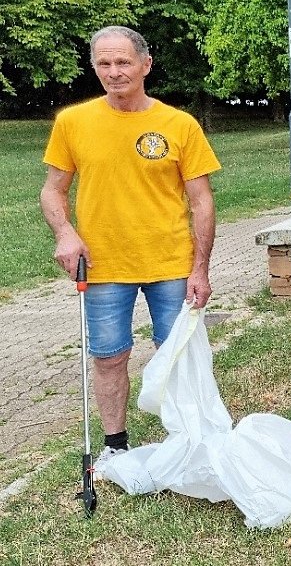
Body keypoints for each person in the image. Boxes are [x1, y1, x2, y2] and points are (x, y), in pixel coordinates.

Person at [41, 25, 221, 461]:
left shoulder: (179, 124)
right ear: (94, 66)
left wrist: (201, 268)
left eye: (123, 61)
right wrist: (66, 232)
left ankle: (186, 441)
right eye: (104, 63)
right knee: (108, 357)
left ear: (145, 64)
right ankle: (115, 446)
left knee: (176, 354)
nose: (114, 71)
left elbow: (201, 201)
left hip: (171, 263)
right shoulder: (72, 122)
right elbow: (52, 189)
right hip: (103, 266)